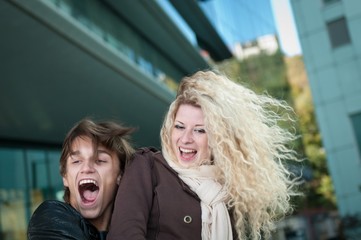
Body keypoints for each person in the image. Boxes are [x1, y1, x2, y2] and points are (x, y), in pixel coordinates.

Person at [107, 70, 301, 240]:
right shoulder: (147, 166)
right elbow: (123, 234)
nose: (185, 139)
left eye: (200, 130)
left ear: (219, 139)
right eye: (179, 127)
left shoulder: (227, 195)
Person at [27, 118, 135, 240]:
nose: (87, 168)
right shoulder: (51, 218)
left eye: (100, 160)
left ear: (120, 175)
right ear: (65, 177)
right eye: (77, 161)